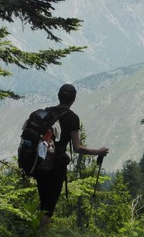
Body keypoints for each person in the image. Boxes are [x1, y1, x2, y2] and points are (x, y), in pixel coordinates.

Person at [35, 83, 109, 233]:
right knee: (49, 207)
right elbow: (77, 147)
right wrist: (98, 151)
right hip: (56, 167)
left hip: (40, 163)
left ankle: (36, 231)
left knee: (43, 203)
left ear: (59, 96)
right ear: (73, 99)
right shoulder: (72, 118)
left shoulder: (47, 112)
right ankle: (42, 233)